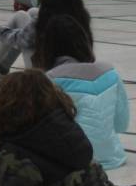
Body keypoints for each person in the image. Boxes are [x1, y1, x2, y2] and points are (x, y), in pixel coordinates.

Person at [35, 14, 129, 171]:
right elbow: (121, 124)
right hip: (112, 157)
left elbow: (42, 132)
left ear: (47, 47)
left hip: (71, 161)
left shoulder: (50, 79)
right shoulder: (110, 72)